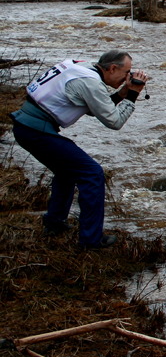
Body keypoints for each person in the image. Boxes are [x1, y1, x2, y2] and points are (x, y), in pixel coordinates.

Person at [10, 50, 149, 249]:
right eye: (126, 72)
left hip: (27, 126)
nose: (127, 77)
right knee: (92, 173)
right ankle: (91, 240)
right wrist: (133, 94)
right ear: (112, 68)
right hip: (36, 130)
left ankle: (54, 223)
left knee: (67, 171)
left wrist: (121, 94)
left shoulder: (80, 67)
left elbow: (96, 106)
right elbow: (114, 121)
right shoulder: (91, 82)